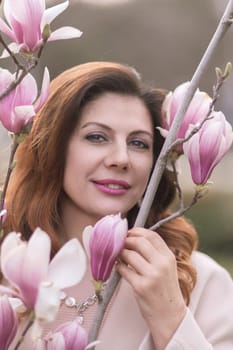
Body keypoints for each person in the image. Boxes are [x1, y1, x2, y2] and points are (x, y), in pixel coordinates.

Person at [3, 61, 233, 349]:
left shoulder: (199, 281)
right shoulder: (7, 264)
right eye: (97, 137)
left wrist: (170, 315)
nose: (121, 158)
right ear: (52, 147)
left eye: (138, 143)